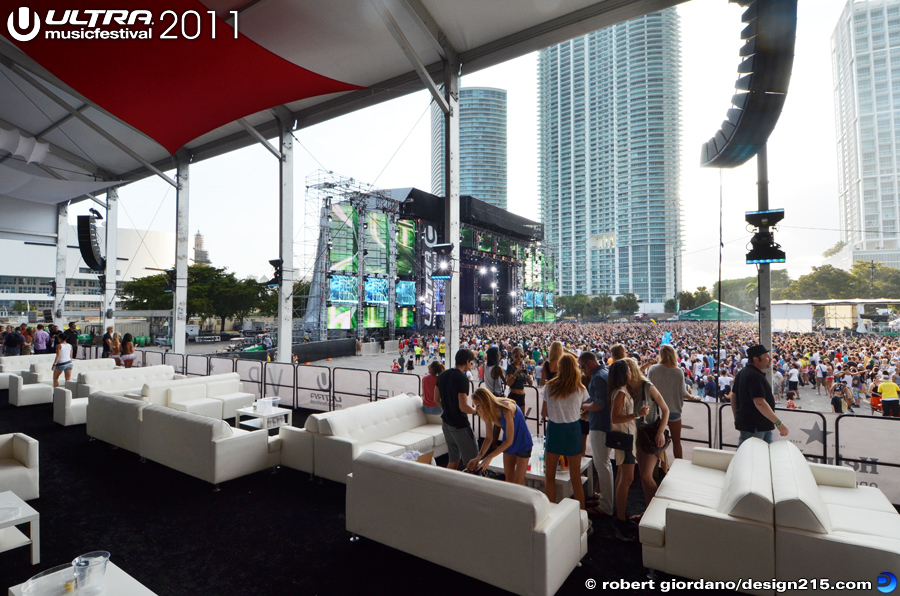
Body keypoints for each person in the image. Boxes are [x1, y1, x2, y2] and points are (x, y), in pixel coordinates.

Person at [607, 359, 649, 541]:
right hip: (624, 439)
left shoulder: (619, 391)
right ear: (624, 374)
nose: (631, 374)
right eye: (629, 371)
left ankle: (621, 514)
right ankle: (621, 520)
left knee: (622, 477)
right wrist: (637, 414)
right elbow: (615, 418)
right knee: (627, 478)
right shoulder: (621, 393)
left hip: (625, 438)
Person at [540, 354, 587, 509]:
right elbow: (582, 409)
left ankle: (550, 511)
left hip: (554, 430)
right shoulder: (580, 389)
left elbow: (544, 413)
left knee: (550, 476)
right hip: (573, 431)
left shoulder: (549, 387)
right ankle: (582, 514)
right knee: (575, 478)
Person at [625, 357, 670, 514]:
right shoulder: (626, 389)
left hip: (650, 434)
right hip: (636, 435)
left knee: (645, 475)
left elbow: (665, 409)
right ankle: (648, 510)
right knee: (644, 475)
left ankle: (658, 509)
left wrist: (660, 432)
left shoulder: (647, 386)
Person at [468, 388, 533, 485]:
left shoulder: (506, 408)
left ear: (486, 402)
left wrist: (490, 457)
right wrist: (479, 457)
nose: (477, 410)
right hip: (508, 442)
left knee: (518, 483)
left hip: (522, 441)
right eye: (475, 406)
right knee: (509, 481)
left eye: (478, 406)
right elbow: (489, 438)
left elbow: (510, 441)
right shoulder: (487, 413)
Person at [578, 351, 613, 517]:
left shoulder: (598, 377)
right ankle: (606, 499)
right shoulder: (605, 373)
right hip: (605, 424)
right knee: (605, 465)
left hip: (600, 425)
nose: (583, 371)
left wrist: (583, 405)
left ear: (590, 363)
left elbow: (599, 404)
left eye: (583, 367)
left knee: (602, 465)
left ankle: (606, 506)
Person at [732, 344, 788, 446]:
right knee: (751, 456)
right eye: (766, 356)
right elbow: (759, 403)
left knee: (764, 454)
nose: (770, 359)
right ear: (756, 359)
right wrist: (779, 423)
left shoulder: (742, 372)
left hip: (758, 425)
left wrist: (737, 416)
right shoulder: (755, 376)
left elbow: (733, 395)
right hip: (755, 426)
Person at [435, 349, 478, 470]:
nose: (471, 365)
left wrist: (448, 408)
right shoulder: (462, 379)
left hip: (446, 423)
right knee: (472, 461)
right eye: (471, 362)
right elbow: (463, 406)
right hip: (459, 425)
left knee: (453, 459)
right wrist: (476, 411)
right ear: (467, 361)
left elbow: (436, 399)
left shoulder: (443, 375)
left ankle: (445, 487)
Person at [648, 345, 688, 459]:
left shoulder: (653, 369)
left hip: (657, 412)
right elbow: (683, 392)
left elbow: (648, 388)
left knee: (654, 442)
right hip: (673, 410)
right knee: (677, 442)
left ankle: (654, 471)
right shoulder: (678, 371)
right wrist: (694, 397)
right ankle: (678, 467)